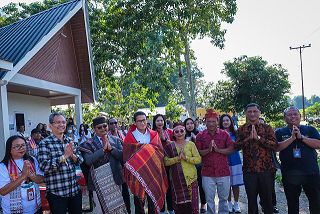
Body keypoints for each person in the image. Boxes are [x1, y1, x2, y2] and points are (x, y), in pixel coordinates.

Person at [275, 107, 320, 214]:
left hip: (310, 172)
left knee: (316, 201)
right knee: (292, 203)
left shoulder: (310, 129)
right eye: (290, 115)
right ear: (285, 118)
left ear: (300, 116)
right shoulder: (280, 132)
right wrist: (291, 139)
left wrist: (302, 137)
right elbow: (276, 147)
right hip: (290, 173)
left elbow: (318, 144)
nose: (293, 116)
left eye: (295, 114)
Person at [78, 117, 128, 214]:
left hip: (115, 179)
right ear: (94, 128)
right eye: (99, 127)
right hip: (98, 182)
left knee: (117, 208)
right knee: (101, 210)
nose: (103, 129)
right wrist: (102, 150)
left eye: (104, 126)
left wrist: (111, 149)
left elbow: (123, 156)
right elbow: (88, 161)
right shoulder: (88, 144)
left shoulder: (115, 140)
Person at [234, 103, 278, 214]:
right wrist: (249, 138)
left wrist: (259, 139)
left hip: (266, 170)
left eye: (254, 111)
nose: (252, 114)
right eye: (249, 111)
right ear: (245, 113)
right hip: (249, 170)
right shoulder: (241, 129)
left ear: (259, 113)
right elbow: (236, 147)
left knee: (268, 200)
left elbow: (275, 145)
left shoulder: (267, 128)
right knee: (251, 201)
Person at [37, 112, 84, 214]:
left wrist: (72, 155)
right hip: (57, 193)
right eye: (58, 122)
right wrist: (64, 157)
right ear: (50, 125)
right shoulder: (44, 143)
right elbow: (44, 166)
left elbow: (80, 160)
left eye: (63, 122)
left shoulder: (70, 140)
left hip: (74, 190)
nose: (61, 124)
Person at [123, 111, 168, 214]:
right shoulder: (130, 137)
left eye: (144, 120)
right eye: (139, 121)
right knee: (138, 200)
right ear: (134, 122)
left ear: (147, 120)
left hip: (153, 172)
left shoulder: (153, 135)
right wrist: (146, 150)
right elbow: (127, 155)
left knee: (152, 199)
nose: (142, 123)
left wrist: (146, 149)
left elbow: (159, 152)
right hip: (137, 174)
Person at [195, 109, 235, 214]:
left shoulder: (224, 134)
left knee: (223, 199)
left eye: (214, 121)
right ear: (205, 122)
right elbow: (198, 152)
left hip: (223, 171)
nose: (211, 124)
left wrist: (218, 150)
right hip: (207, 173)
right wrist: (208, 150)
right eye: (209, 121)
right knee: (209, 199)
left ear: (218, 122)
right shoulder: (200, 136)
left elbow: (232, 149)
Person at [0, 135, 44, 214]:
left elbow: (41, 179)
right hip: (13, 211)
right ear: (9, 149)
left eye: (23, 145)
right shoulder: (3, 166)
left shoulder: (32, 160)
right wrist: (23, 176)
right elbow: (3, 191)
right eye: (17, 146)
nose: (21, 148)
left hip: (35, 209)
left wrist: (31, 175)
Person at [164, 123, 201, 214]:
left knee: (193, 205)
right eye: (176, 131)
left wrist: (186, 159)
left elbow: (198, 159)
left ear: (185, 132)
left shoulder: (191, 145)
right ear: (173, 134)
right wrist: (177, 158)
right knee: (179, 206)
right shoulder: (169, 147)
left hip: (191, 179)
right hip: (177, 181)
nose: (179, 133)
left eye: (181, 131)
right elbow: (166, 162)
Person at [219, 114, 244, 213]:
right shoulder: (218, 133)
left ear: (231, 122)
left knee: (236, 184)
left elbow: (240, 146)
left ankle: (236, 203)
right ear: (221, 122)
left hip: (235, 160)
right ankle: (229, 203)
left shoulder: (236, 133)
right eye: (223, 120)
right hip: (223, 161)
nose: (225, 122)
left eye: (227, 120)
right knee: (227, 184)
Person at [152, 114, 174, 214]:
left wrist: (164, 139)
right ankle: (161, 210)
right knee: (160, 189)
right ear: (154, 122)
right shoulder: (152, 133)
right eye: (158, 121)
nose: (160, 122)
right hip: (157, 165)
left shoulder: (169, 131)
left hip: (170, 164)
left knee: (170, 188)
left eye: (162, 120)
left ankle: (171, 209)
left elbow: (175, 145)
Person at [184, 118, 207, 213]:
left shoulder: (200, 134)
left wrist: (195, 141)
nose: (190, 125)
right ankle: (190, 204)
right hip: (187, 165)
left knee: (201, 185)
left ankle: (203, 204)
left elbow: (203, 149)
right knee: (189, 185)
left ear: (194, 124)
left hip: (199, 164)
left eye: (191, 123)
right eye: (187, 124)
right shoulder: (182, 135)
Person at [258, 117, 279, 213]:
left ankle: (272, 205)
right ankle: (263, 204)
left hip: (269, 165)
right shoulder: (249, 133)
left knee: (270, 188)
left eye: (262, 123)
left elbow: (275, 145)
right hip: (254, 167)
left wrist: (259, 139)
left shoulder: (269, 132)